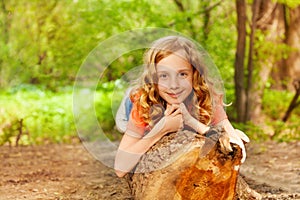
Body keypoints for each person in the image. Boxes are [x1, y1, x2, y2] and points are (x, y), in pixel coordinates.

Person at [114, 35, 249, 178]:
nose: (174, 85)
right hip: (130, 109)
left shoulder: (207, 97)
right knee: (131, 127)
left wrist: (192, 122)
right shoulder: (144, 102)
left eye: (182, 74)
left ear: (194, 74)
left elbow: (238, 152)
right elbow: (120, 169)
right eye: (164, 76)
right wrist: (162, 129)